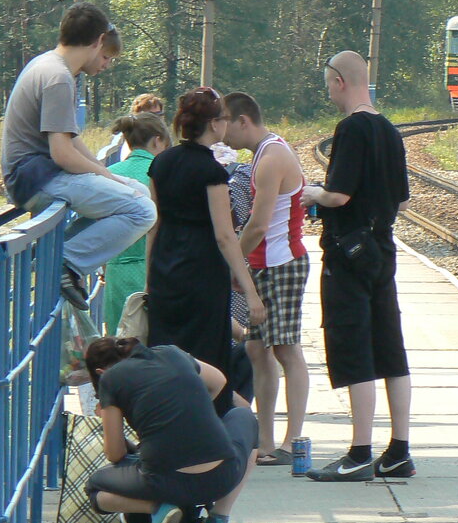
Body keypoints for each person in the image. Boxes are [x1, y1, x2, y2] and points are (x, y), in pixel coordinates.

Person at [299, 50, 414, 481]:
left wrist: (313, 194)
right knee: (390, 348)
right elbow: (401, 198)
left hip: (347, 254)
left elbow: (340, 195)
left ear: (340, 81)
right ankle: (399, 451)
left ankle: (360, 452)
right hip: (383, 249)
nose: (328, 91)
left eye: (329, 83)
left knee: (354, 347)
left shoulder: (351, 128)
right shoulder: (388, 129)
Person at [1, 2, 157, 311]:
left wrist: (106, 174)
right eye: (106, 57)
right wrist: (105, 177)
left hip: (35, 175)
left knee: (137, 191)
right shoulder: (59, 78)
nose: (106, 65)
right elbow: (62, 154)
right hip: (37, 178)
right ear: (99, 40)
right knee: (143, 211)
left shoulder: (47, 65)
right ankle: (63, 263)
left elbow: (70, 139)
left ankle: (54, 256)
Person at [145, 87, 265, 415]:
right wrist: (250, 292)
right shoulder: (212, 172)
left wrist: (148, 279)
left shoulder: (161, 163)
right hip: (202, 273)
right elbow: (225, 236)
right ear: (214, 124)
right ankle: (207, 427)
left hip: (166, 271)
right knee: (207, 357)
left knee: (168, 355)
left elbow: (153, 225)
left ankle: (167, 423)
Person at [222, 91, 309, 466]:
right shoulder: (261, 155)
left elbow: (258, 224)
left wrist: (234, 264)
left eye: (224, 122)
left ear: (243, 120)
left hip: (282, 262)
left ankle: (292, 440)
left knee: (286, 349)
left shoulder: (272, 157)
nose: (221, 132)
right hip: (263, 263)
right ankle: (266, 439)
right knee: (257, 349)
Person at [83, 336, 257, 523]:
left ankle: (161, 509)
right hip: (224, 475)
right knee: (245, 417)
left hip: (166, 482)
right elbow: (218, 381)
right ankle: (219, 516)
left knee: (94, 488)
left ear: (100, 372)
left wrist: (109, 421)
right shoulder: (172, 353)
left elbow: (115, 454)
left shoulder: (110, 379)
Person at [103, 112, 171, 335]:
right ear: (157, 140)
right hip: (156, 267)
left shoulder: (109, 175)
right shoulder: (164, 170)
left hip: (116, 268)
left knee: (120, 338)